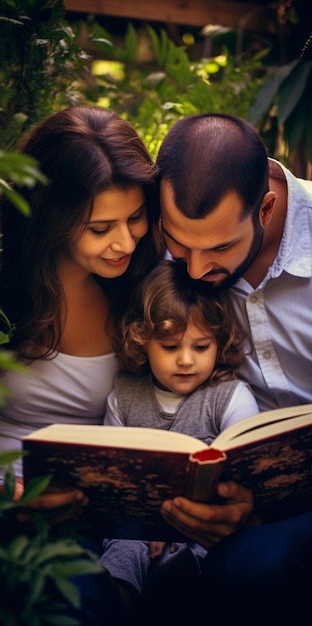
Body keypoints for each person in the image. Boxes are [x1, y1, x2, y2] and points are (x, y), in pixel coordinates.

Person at [0, 104, 164, 625]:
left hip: (73, 517)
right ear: (51, 219)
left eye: (135, 218)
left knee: (78, 599)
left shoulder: (144, 284)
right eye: (100, 227)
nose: (125, 241)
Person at [153, 112, 312, 622]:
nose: (196, 270)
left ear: (265, 207)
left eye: (220, 247)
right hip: (243, 490)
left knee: (255, 566)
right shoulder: (166, 253)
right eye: (181, 245)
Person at [99, 258, 258, 613]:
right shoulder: (124, 396)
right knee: (123, 543)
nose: (186, 360)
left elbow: (244, 480)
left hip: (206, 529)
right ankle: (115, 599)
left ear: (219, 342)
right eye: (170, 347)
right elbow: (112, 480)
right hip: (138, 526)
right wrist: (148, 522)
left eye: (201, 347)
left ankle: (188, 588)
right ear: (142, 342)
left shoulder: (229, 396)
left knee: (216, 549)